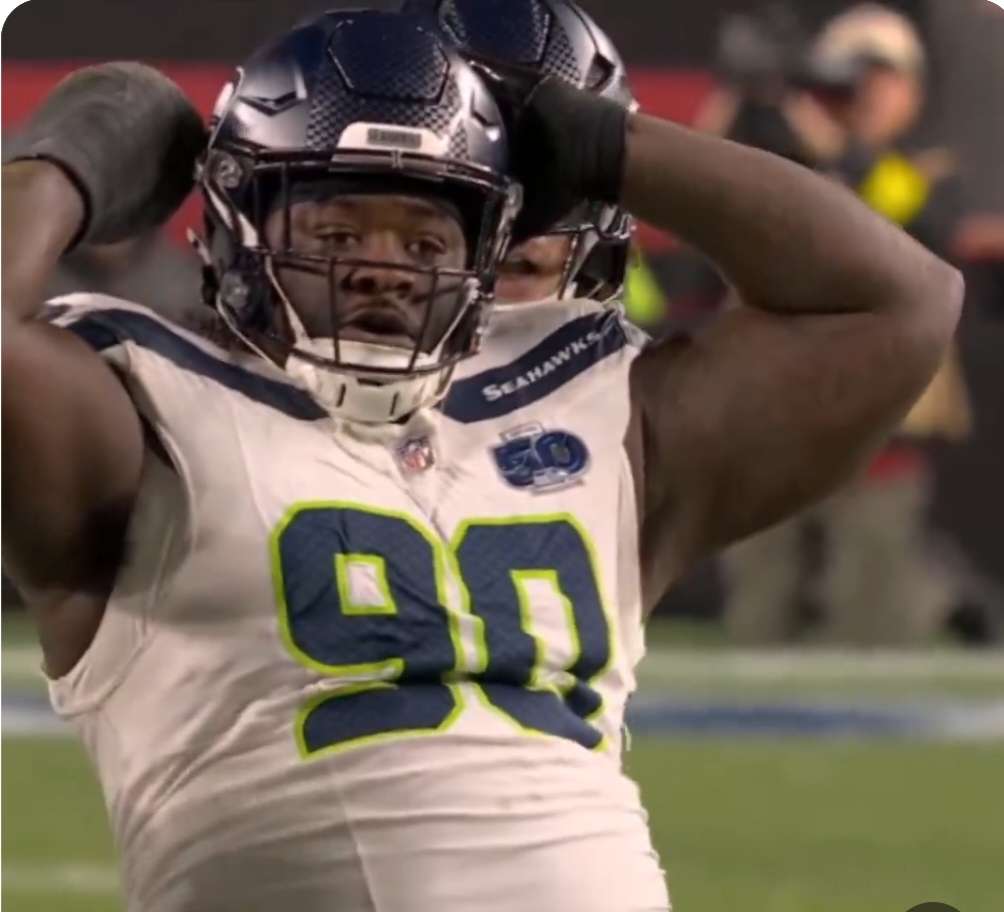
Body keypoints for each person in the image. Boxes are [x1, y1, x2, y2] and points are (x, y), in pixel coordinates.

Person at [2, 5, 962, 912]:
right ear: (237, 230)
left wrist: (611, 145)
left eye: (427, 237)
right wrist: (66, 160)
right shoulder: (140, 399)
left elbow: (903, 303)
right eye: (336, 231)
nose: (381, 265)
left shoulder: (595, 397)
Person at [722, 3, 975, 645]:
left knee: (874, 602)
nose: (860, 94)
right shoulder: (784, 154)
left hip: (883, 416)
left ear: (912, 89)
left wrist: (839, 150)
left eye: (879, 77)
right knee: (760, 600)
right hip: (777, 405)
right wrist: (761, 106)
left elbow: (909, 234)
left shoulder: (926, 172)